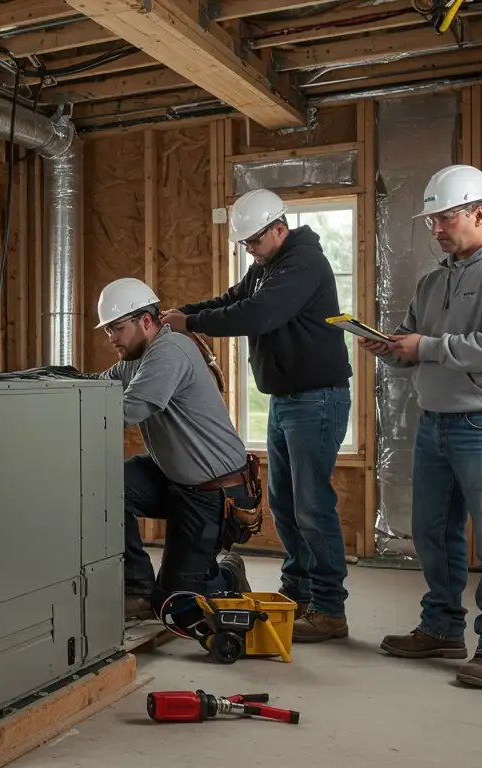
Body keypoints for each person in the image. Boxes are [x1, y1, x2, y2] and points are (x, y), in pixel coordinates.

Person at [358, 165, 482, 689]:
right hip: (436, 424)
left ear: (478, 214)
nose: (435, 229)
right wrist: (390, 348)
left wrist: (427, 348)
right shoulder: (434, 279)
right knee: (433, 535)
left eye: (443, 218)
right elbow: (411, 342)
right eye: (431, 221)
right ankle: (442, 628)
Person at [159, 188, 353, 644]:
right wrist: (185, 313)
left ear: (279, 230)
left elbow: (258, 315)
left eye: (253, 241)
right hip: (288, 400)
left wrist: (193, 324)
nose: (249, 249)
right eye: (244, 243)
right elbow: (231, 297)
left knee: (311, 505)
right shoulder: (267, 266)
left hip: (316, 399)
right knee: (285, 504)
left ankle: (329, 608)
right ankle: (299, 593)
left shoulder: (303, 264)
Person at [94, 277, 260, 621]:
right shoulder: (133, 359)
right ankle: (137, 588)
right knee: (104, 484)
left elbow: (129, 410)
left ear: (146, 321)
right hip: (175, 478)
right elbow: (97, 388)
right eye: (107, 330)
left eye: (116, 328)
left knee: (179, 607)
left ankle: (228, 572)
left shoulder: (170, 351)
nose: (111, 338)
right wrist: (50, 383)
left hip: (217, 491)